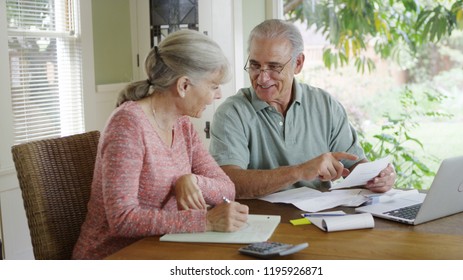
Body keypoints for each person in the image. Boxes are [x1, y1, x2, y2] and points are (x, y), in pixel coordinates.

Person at [72, 29, 249, 260]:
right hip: (114, 256)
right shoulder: (127, 125)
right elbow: (123, 219)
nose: (217, 95)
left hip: (164, 249)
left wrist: (191, 180)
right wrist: (204, 221)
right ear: (184, 85)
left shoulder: (182, 125)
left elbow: (227, 189)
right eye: (214, 86)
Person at [209, 19, 395, 199]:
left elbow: (354, 166)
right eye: (255, 66)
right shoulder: (231, 113)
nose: (262, 78)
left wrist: (378, 178)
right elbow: (228, 183)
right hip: (260, 222)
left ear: (298, 63)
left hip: (319, 220)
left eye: (274, 67)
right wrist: (299, 172)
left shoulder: (325, 105)